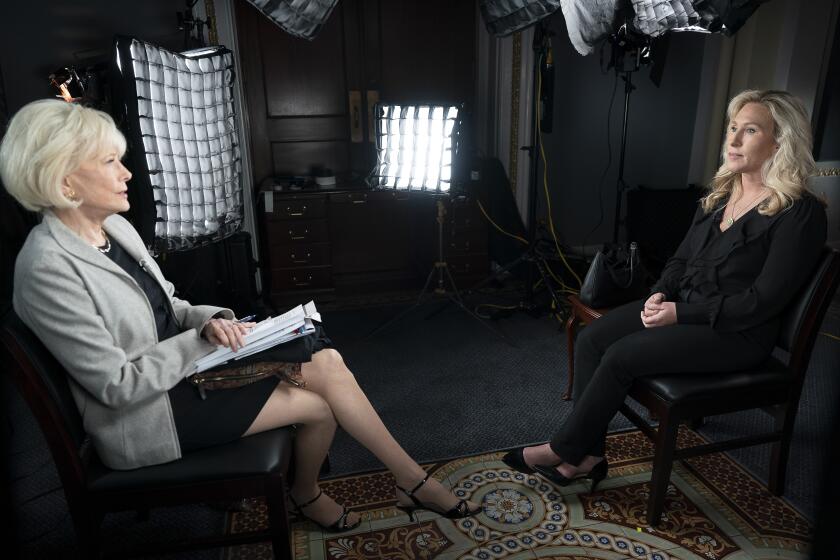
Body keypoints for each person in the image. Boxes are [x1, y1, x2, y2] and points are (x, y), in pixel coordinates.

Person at [0, 99, 480, 532]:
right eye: (110, 162)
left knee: (326, 363)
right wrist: (204, 342)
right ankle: (321, 492)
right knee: (318, 405)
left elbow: (174, 307)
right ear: (64, 180)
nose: (127, 174)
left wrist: (210, 322)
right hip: (148, 416)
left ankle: (407, 481)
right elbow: (116, 386)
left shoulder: (114, 228)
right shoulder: (46, 268)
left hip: (186, 377)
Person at [503, 89, 828, 490]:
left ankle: (564, 449)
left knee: (621, 356)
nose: (733, 139)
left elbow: (763, 301)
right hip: (684, 307)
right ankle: (589, 454)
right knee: (592, 338)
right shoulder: (722, 193)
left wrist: (680, 313)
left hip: (738, 334)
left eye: (750, 130)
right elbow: (679, 259)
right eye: (732, 128)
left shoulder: (800, 213)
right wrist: (660, 293)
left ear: (780, 142)